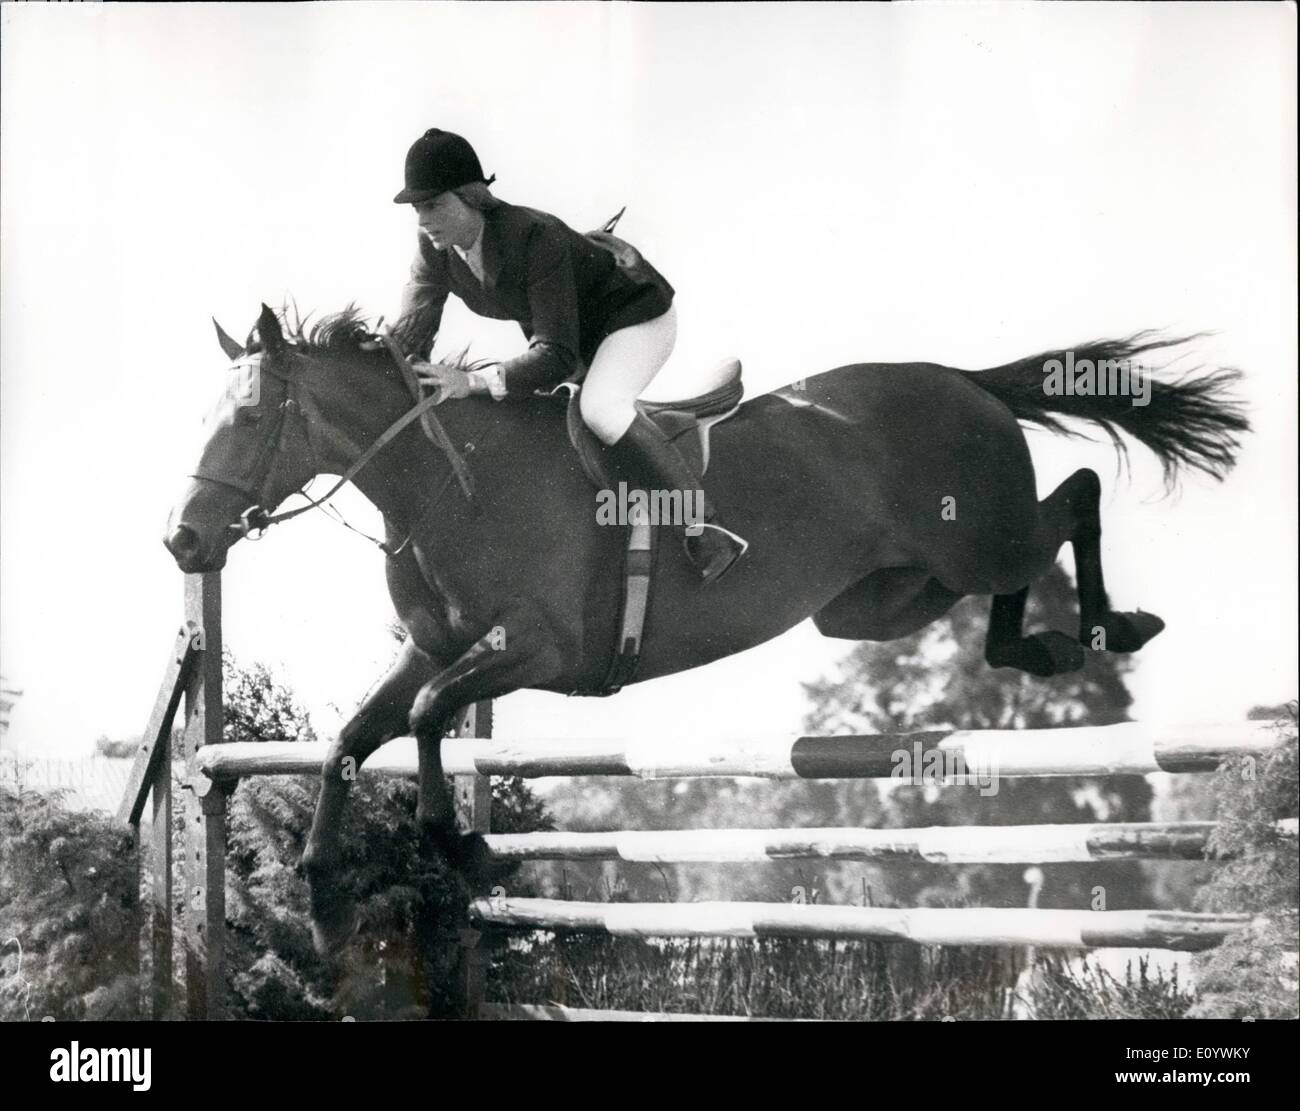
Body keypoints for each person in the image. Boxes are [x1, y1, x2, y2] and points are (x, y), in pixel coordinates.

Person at [390, 128, 748, 585]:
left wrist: (475, 382)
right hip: (576, 336)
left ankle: (706, 529)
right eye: (417, 208)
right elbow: (411, 333)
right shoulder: (433, 251)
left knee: (600, 407)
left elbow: (555, 356)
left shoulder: (533, 235)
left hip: (634, 319)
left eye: (433, 204)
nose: (423, 218)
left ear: (470, 197)